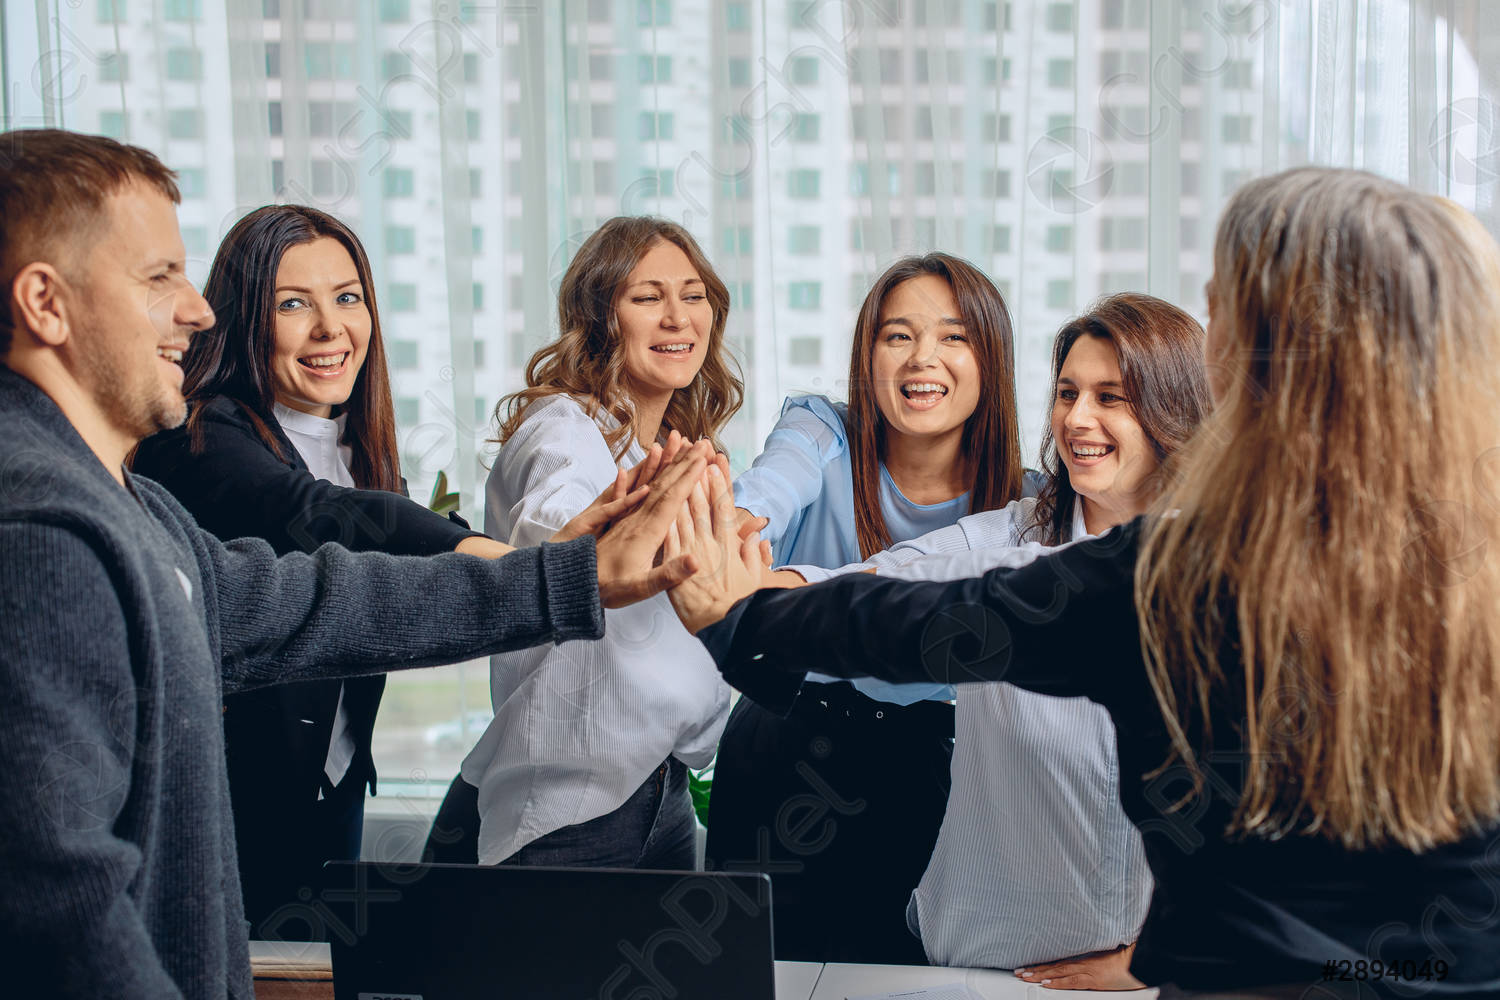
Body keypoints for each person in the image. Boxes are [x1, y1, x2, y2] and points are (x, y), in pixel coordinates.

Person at [670, 167, 1500, 996]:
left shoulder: (1180, 583)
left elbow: (924, 618)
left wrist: (736, 613)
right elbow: (920, 589)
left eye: (1224, 313)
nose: (1080, 419)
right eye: (1069, 393)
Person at [0, 128, 709, 999]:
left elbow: (314, 603)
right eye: (159, 277)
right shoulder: (41, 535)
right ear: (45, 302)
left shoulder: (128, 511)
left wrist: (570, 578)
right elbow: (61, 915)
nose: (197, 309)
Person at [783, 293, 1209, 984]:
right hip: (986, 960)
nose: (1077, 419)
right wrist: (750, 584)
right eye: (1067, 393)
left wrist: (1150, 958)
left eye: (1111, 397)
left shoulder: (1230, 572)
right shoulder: (1008, 539)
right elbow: (872, 581)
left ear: (1173, 412)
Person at [130, 205, 518, 938]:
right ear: (243, 317)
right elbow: (315, 513)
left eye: (347, 297)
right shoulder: (202, 432)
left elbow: (386, 582)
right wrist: (521, 569)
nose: (330, 329)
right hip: (234, 799)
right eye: (291, 304)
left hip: (330, 784)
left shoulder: (354, 444)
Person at [710, 252, 1027, 964]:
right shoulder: (820, 432)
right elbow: (763, 497)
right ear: (869, 352)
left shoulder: (1024, 502)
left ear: (991, 359)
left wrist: (790, 586)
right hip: (787, 745)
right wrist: (730, 528)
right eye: (897, 335)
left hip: (937, 773)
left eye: (954, 337)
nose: (924, 360)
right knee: (753, 972)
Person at [452, 215, 743, 869]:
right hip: (575, 802)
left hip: (654, 782)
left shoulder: (655, 441)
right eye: (647, 297)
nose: (677, 318)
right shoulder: (564, 429)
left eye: (692, 295)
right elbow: (551, 544)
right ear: (600, 316)